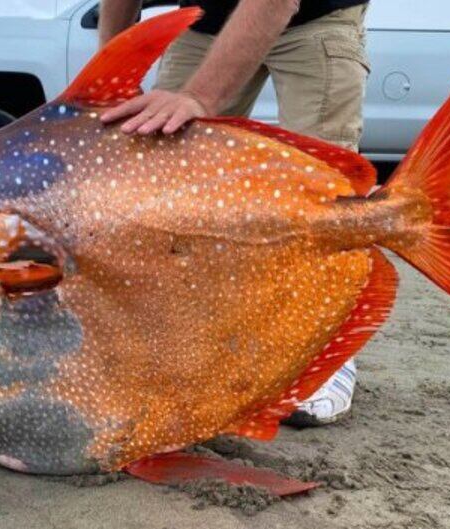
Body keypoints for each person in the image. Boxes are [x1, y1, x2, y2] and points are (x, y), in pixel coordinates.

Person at [99, 0, 370, 426]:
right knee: (162, 173)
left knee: (321, 186)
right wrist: (112, 81)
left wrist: (198, 96)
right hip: (206, 19)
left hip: (315, 14)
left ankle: (325, 354)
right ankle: (189, 347)